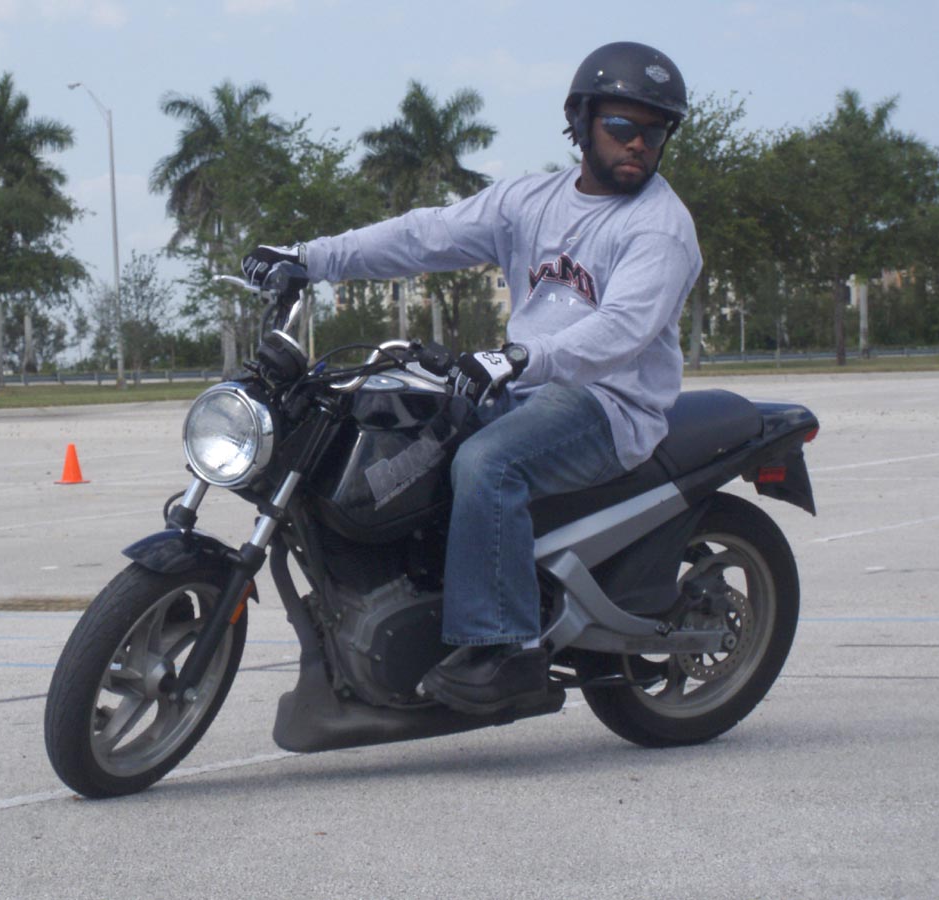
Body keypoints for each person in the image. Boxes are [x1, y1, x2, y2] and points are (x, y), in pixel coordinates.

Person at [242, 41, 702, 716]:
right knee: (389, 433)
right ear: (581, 122)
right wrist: (310, 260)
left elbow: (620, 333)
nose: (639, 143)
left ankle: (504, 648)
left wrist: (519, 358)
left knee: (489, 463)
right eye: (622, 126)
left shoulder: (660, 228)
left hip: (609, 403)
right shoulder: (531, 200)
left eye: (654, 132)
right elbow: (425, 235)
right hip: (524, 386)